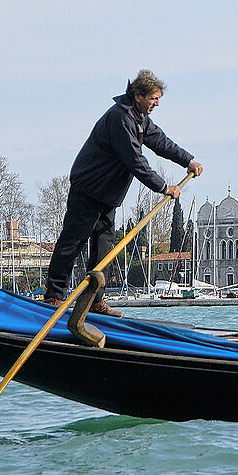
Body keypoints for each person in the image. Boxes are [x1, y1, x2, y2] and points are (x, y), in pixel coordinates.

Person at [43, 70, 203, 317]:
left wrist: (187, 161)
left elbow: (160, 141)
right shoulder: (121, 118)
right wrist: (163, 187)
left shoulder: (140, 118)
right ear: (138, 95)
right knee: (72, 243)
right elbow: (134, 160)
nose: (157, 103)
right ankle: (54, 297)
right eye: (153, 98)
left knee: (103, 252)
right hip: (88, 189)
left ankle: (94, 301)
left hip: (107, 196)